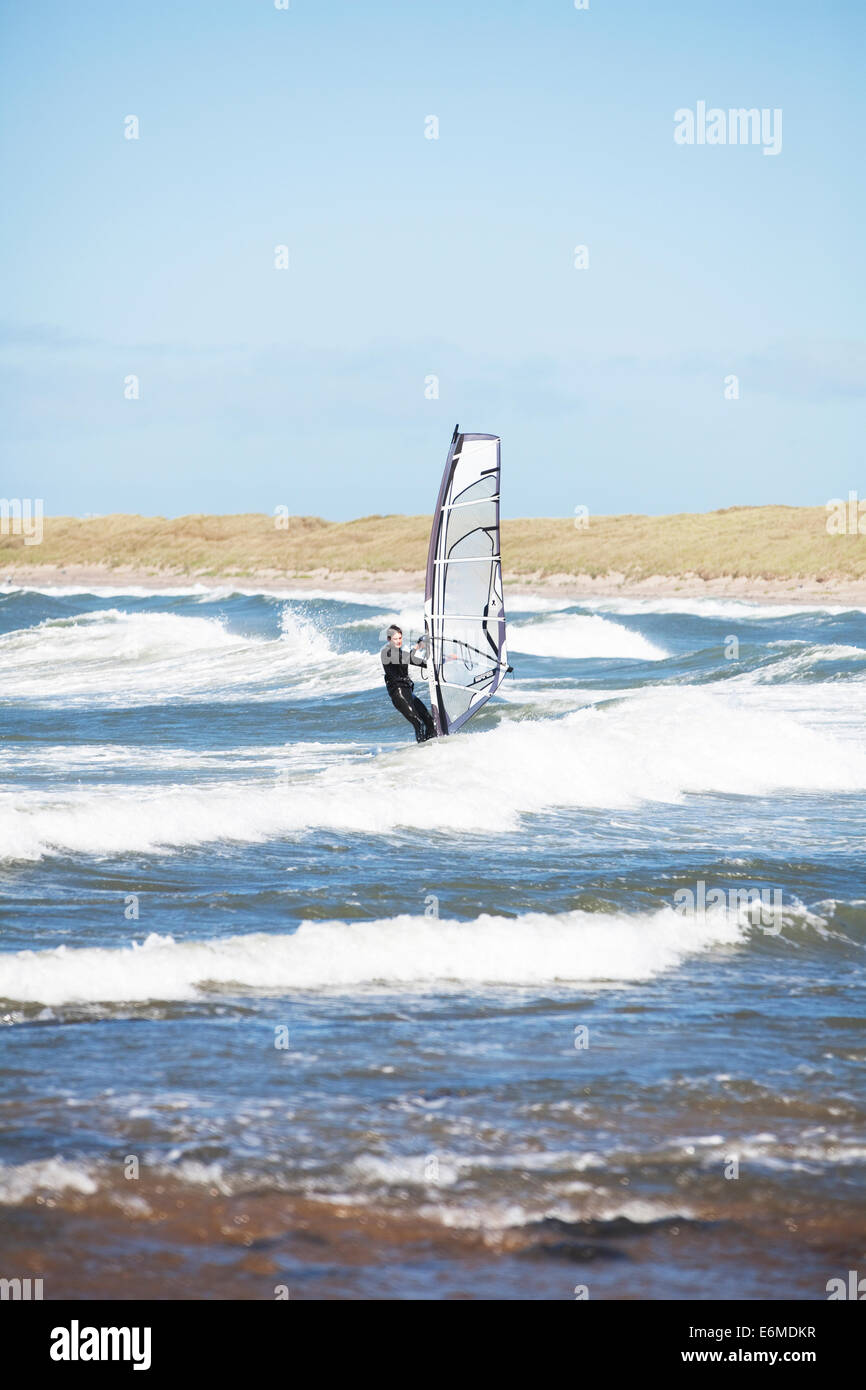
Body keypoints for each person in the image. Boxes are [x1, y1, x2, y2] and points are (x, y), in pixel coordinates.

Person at [380, 624, 436, 742]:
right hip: (398, 694)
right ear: (389, 640)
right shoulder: (386, 653)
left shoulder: (399, 652)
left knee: (430, 721)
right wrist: (417, 647)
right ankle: (422, 750)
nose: (398, 641)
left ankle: (432, 747)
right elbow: (407, 659)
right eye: (395, 639)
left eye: (400, 638)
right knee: (418, 723)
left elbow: (417, 661)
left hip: (408, 692)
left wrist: (439, 663)